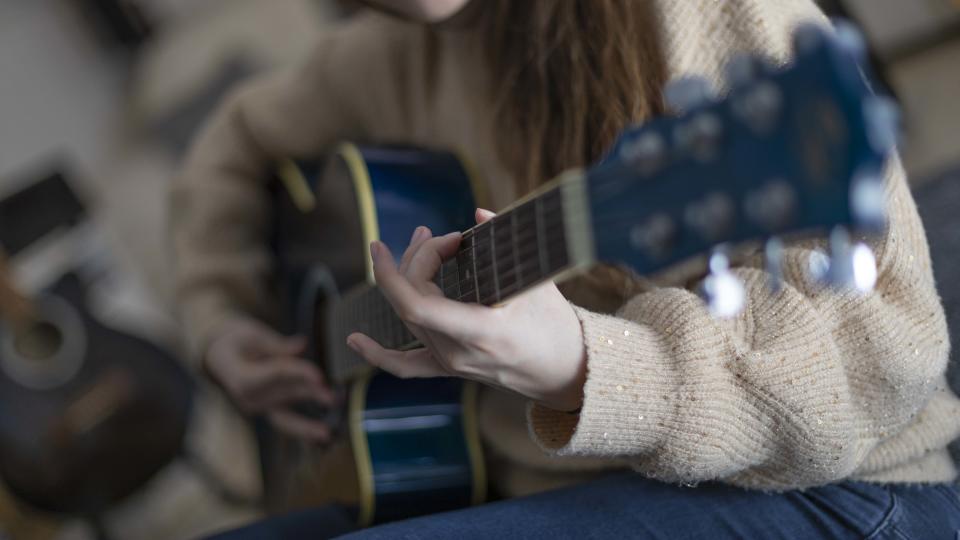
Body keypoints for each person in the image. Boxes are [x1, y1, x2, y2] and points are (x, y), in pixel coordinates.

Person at [171, 0, 960, 537]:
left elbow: (881, 357)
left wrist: (586, 367)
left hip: (838, 498)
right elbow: (228, 153)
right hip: (527, 487)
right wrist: (224, 325)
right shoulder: (380, 62)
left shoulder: (696, 14)